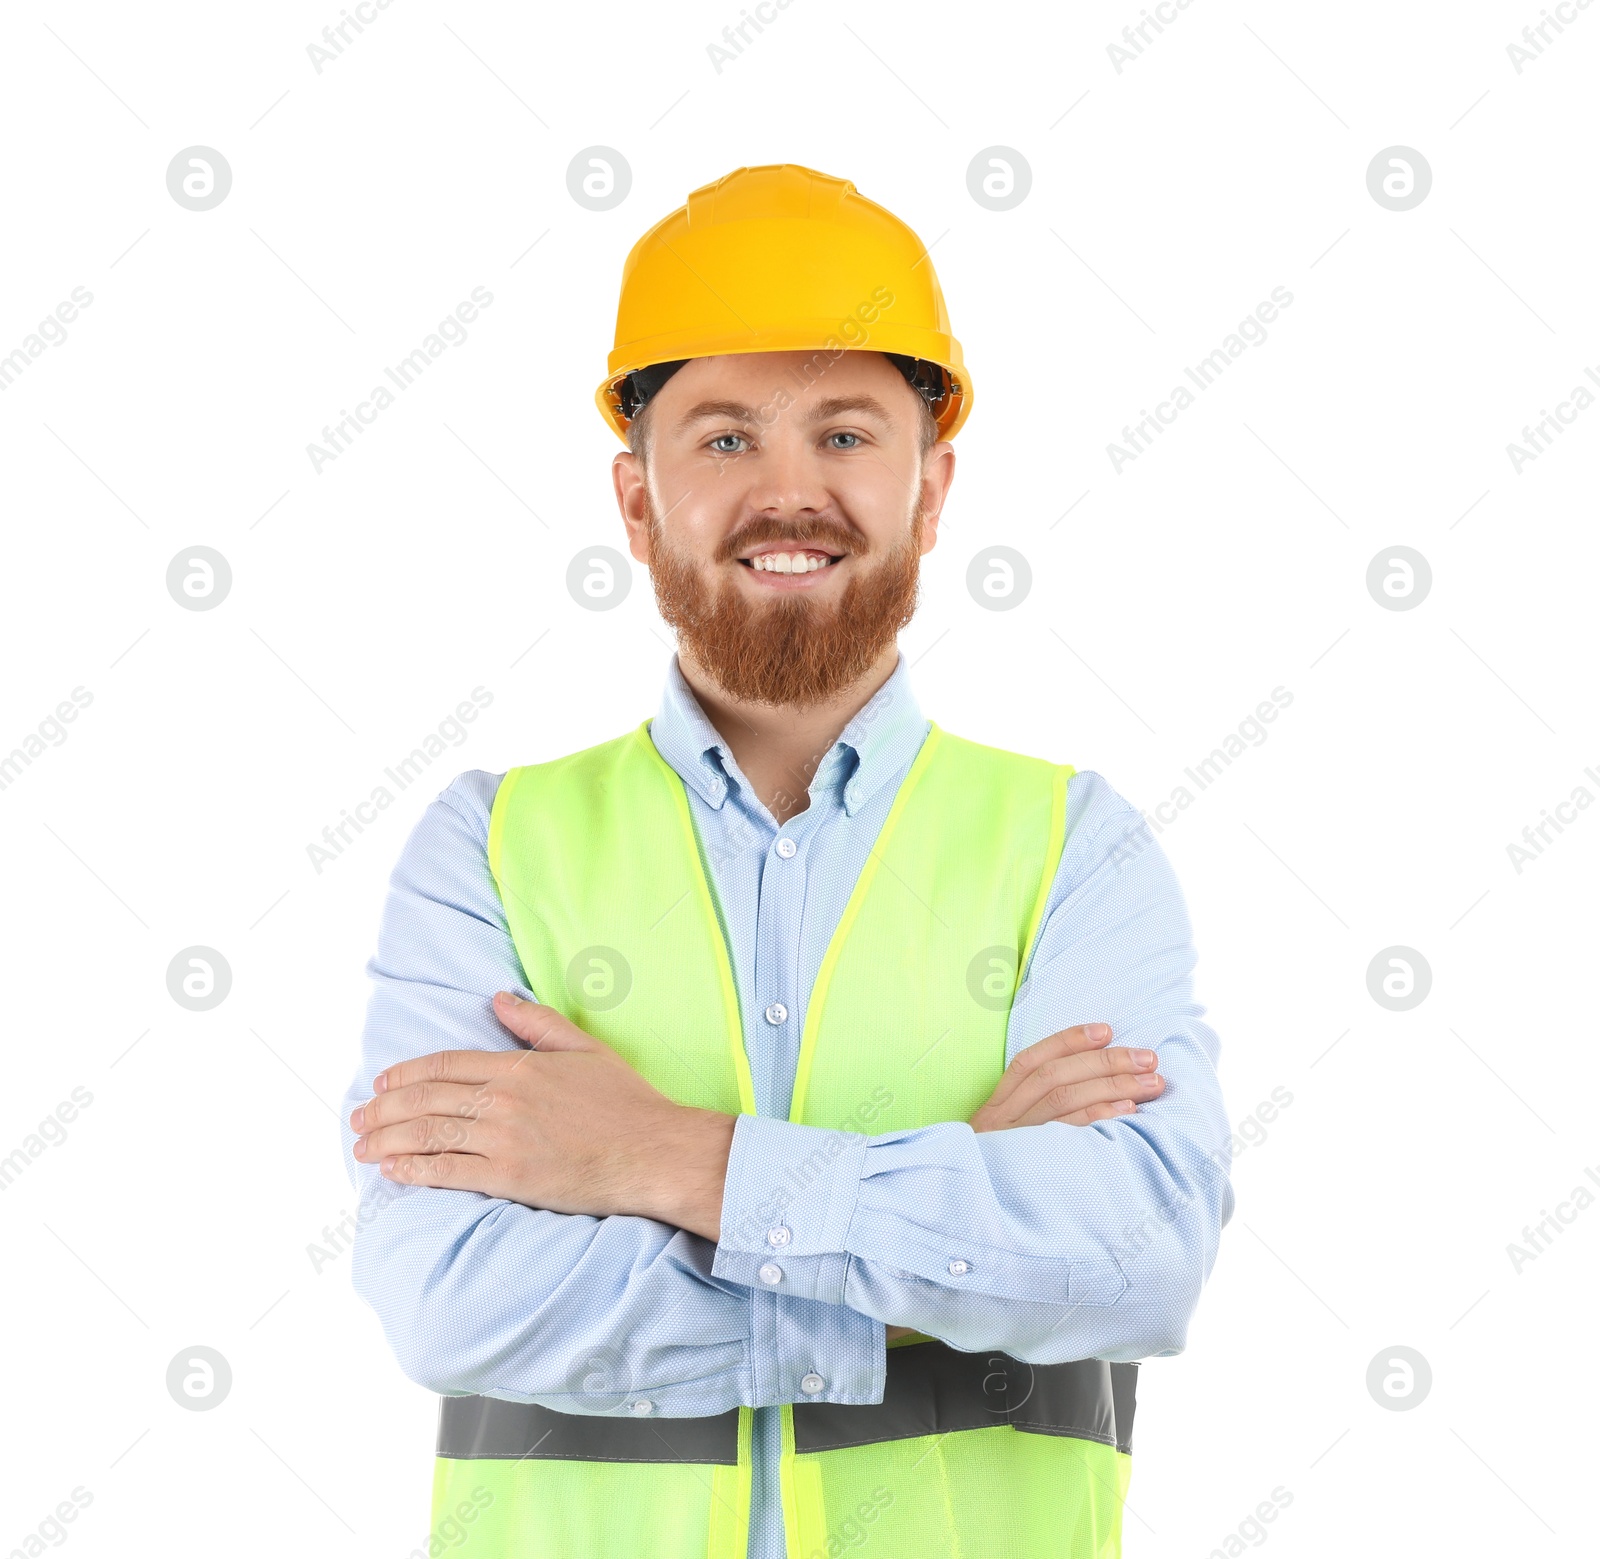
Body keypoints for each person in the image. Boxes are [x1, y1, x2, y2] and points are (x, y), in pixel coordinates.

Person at [340, 162, 1233, 1559]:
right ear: (636, 501)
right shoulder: (488, 848)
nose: (790, 492)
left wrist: (657, 1159)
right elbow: (450, 1296)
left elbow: (1137, 1257)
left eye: (845, 434)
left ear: (931, 489)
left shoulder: (1073, 848)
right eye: (724, 439)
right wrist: (950, 1205)